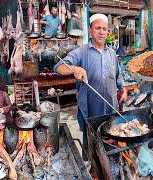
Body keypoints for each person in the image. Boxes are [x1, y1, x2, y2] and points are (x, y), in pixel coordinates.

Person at [54, 13, 127, 159]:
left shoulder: (112, 53)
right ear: (90, 30)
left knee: (111, 139)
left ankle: (109, 164)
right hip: (91, 108)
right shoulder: (81, 52)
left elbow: (118, 76)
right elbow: (59, 67)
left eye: (104, 29)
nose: (101, 32)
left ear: (108, 32)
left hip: (111, 106)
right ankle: (90, 168)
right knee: (91, 143)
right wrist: (75, 69)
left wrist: (123, 89)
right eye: (97, 28)